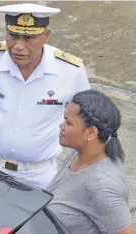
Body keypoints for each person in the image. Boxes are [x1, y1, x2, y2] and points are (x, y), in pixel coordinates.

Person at [0, 3, 91, 189]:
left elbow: (86, 122)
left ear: (46, 36)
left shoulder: (70, 71)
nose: (18, 46)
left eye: (29, 38)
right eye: (13, 36)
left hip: (38, 177)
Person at [47, 90, 136, 234]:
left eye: (68, 122)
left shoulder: (102, 188)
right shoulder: (79, 155)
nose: (61, 125)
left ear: (91, 133)